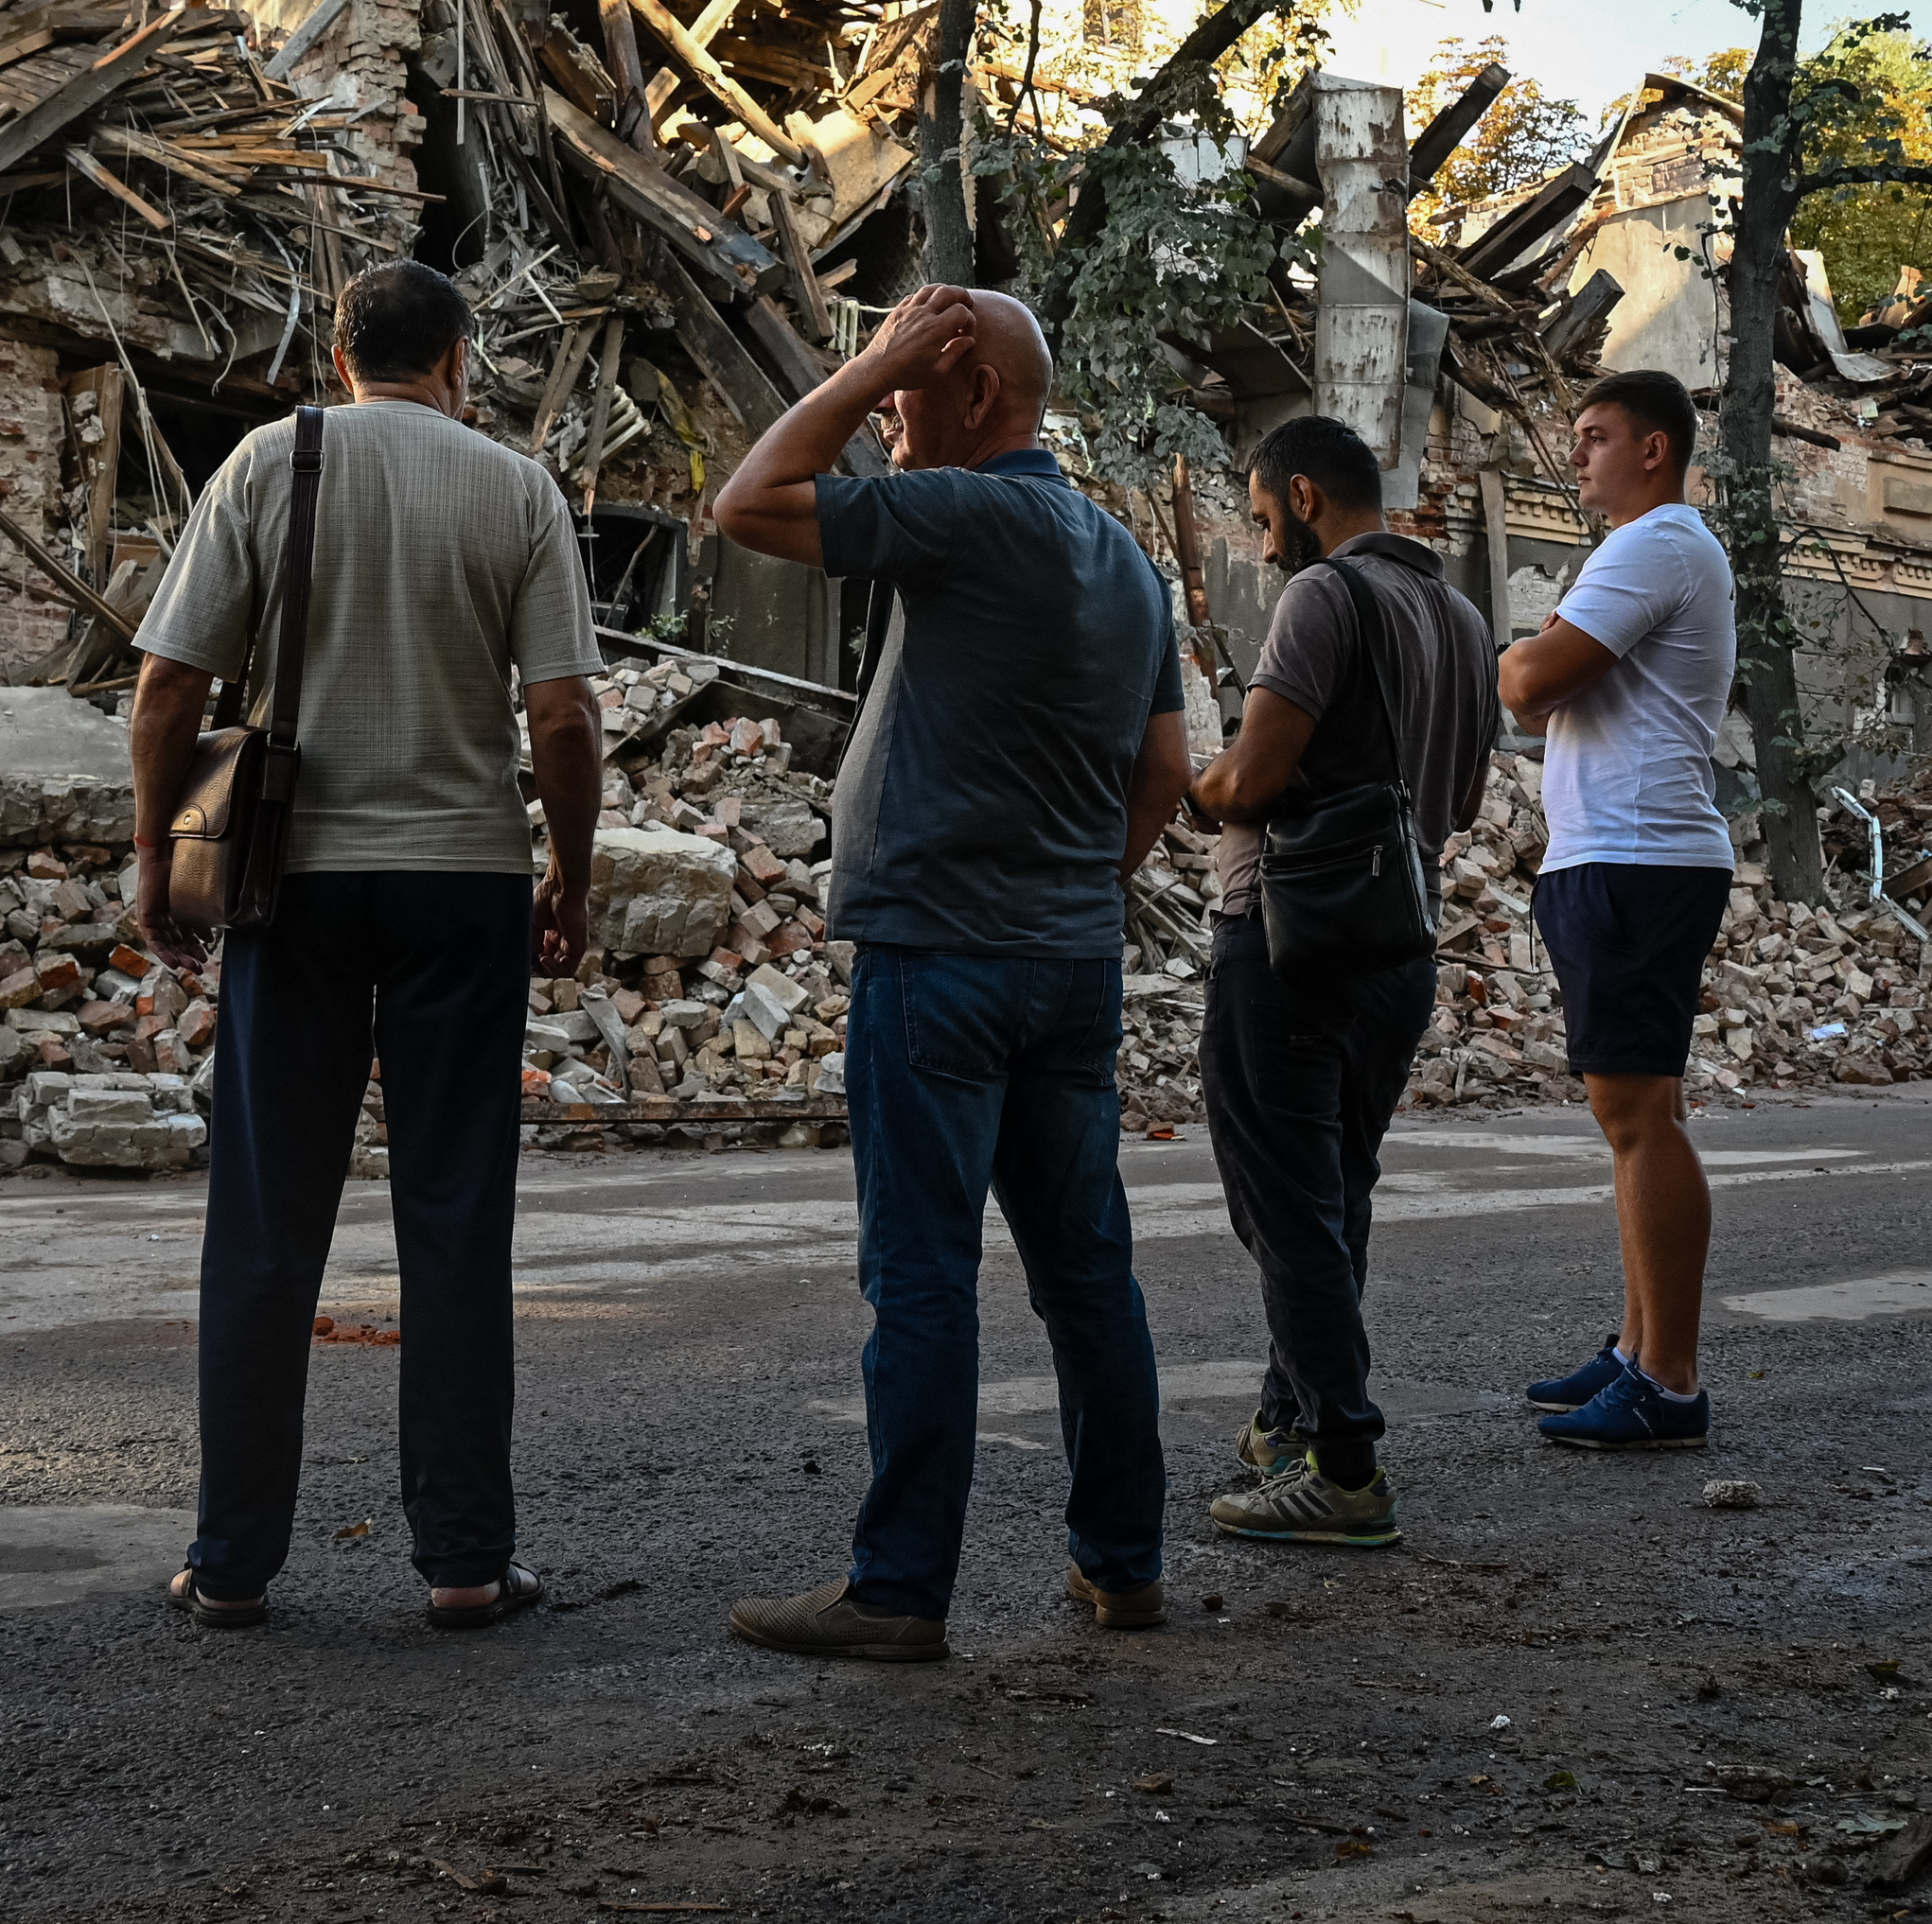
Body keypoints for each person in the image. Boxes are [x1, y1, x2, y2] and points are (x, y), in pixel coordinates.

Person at [708, 285, 1190, 1662]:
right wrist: (1076, 886)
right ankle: (1125, 1562)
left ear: (974, 394)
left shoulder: (970, 515)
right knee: (1088, 1272)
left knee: (920, 1274)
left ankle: (901, 1586)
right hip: (1068, 961)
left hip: (941, 957)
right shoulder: (1122, 557)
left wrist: (868, 363)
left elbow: (749, 500)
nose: (896, 413)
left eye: (922, 383)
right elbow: (1161, 775)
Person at [127, 260, 606, 1630]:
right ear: (459, 359)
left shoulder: (267, 465)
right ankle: (463, 1558)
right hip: (463, 888)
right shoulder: (517, 491)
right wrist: (569, 875)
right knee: (457, 1215)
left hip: (298, 886)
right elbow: (563, 719)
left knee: (269, 1219)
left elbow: (170, 685)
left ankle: (230, 1563)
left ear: (341, 359)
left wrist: (156, 849)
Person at [1181, 414, 1496, 1546]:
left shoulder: (1322, 600)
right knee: (1333, 1196)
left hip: (1287, 944)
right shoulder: (1460, 616)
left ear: (1305, 497)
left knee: (1285, 1204)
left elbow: (1255, 779)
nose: (1264, 550)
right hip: (1397, 948)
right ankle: (1291, 1419)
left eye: (1265, 521)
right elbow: (1457, 804)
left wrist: (1190, 779)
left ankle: (1346, 1466)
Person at [1495, 368, 1737, 1451]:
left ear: (1654, 448)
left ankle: (1668, 1383)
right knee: (1635, 1116)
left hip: (1638, 857)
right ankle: (1639, 1350)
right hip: (1624, 855)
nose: (1578, 453)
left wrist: (1517, 658)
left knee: (1639, 1118)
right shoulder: (1647, 550)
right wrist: (1537, 669)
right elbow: (1553, 688)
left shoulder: (1655, 545)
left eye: (1595, 437)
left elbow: (1530, 682)